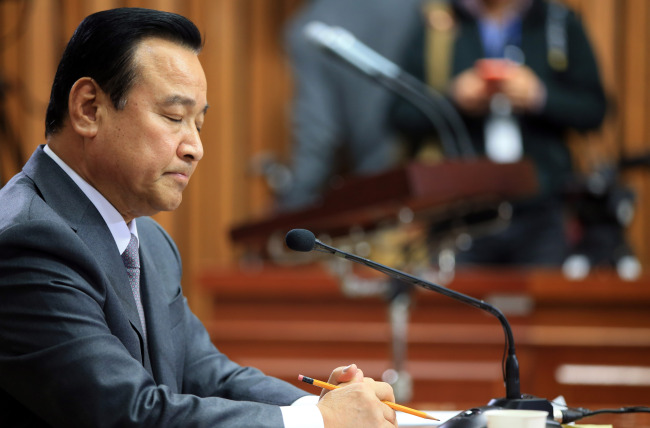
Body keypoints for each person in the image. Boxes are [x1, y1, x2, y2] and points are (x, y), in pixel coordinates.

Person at [0, 8, 397, 428]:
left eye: (199, 124)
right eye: (174, 118)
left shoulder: (150, 242)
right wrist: (320, 422)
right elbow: (125, 412)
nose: (195, 148)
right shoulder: (27, 241)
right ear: (88, 108)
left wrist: (322, 408)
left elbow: (206, 374)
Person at [390, 0, 607, 266]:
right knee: (459, 305)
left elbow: (595, 110)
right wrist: (453, 100)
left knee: (541, 303)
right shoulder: (439, 24)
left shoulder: (557, 23)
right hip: (461, 210)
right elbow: (399, 115)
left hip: (541, 207)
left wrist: (540, 97)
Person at [278, 0, 422, 211]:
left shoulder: (313, 27)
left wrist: (289, 208)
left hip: (383, 187)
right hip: (454, 169)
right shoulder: (415, 5)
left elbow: (317, 136)